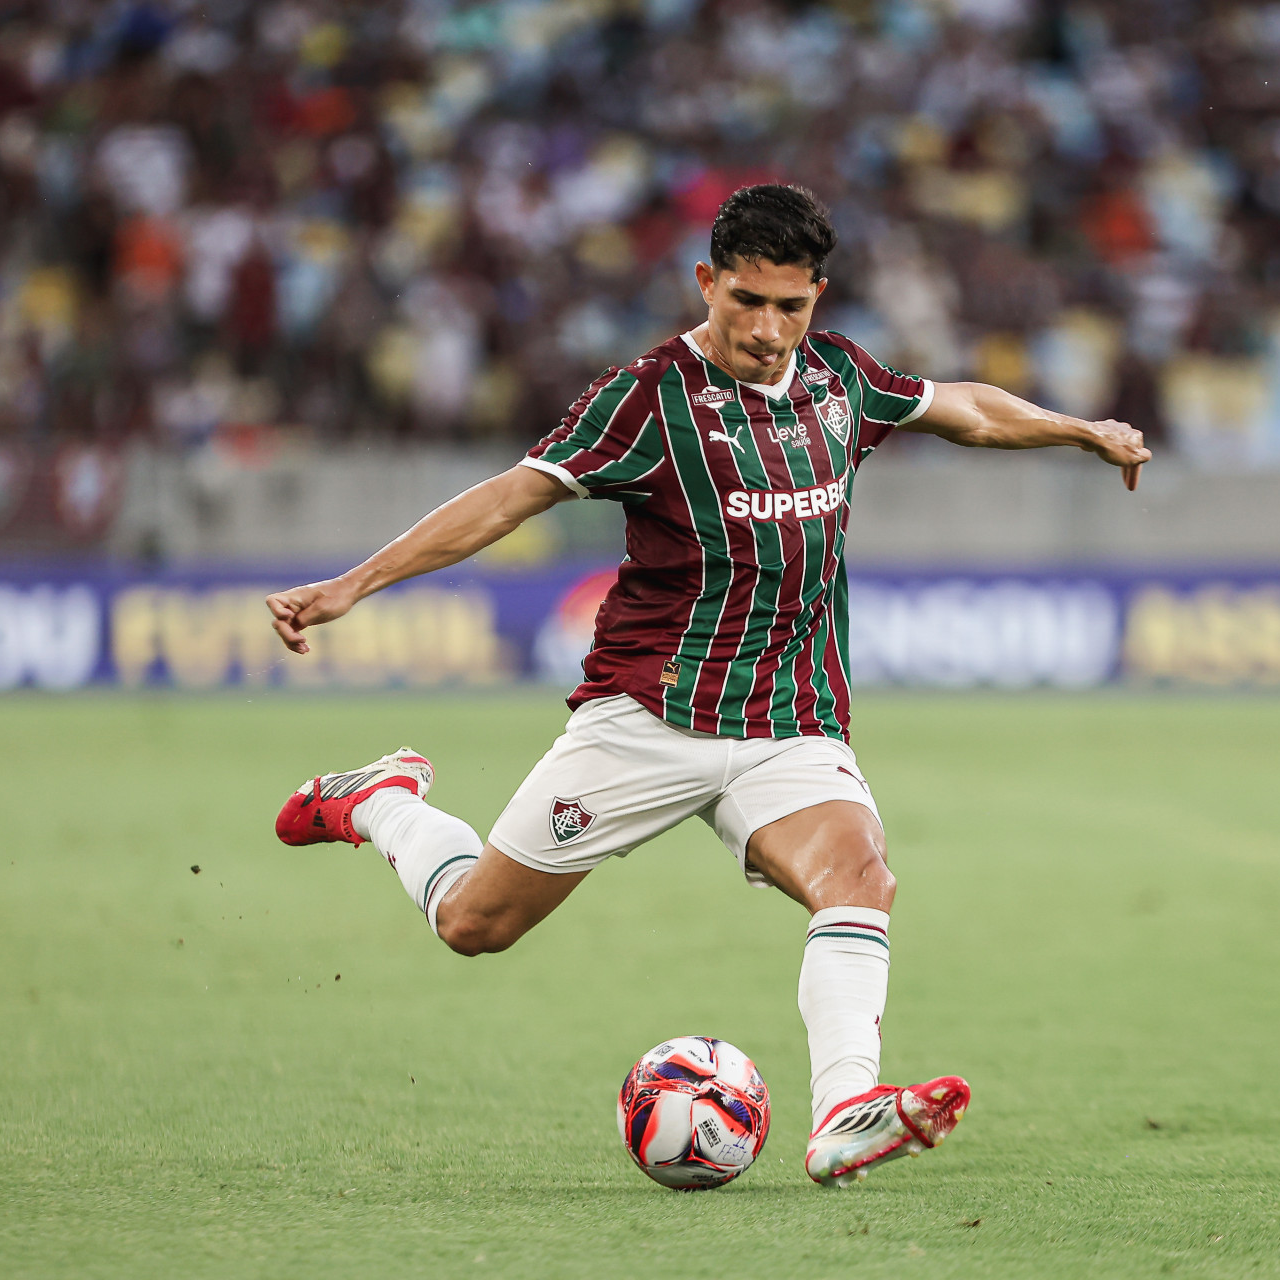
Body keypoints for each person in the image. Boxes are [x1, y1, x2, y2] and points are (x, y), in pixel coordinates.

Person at [265, 185, 1150, 1187]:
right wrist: (351, 585)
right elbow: (506, 500)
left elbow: (969, 408)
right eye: (746, 302)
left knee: (860, 878)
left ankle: (846, 1108)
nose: (769, 331)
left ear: (817, 296)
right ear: (706, 283)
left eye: (791, 306)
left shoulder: (841, 378)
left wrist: (1080, 428)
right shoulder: (643, 399)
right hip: (650, 717)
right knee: (476, 922)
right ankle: (379, 799)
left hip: (788, 724)